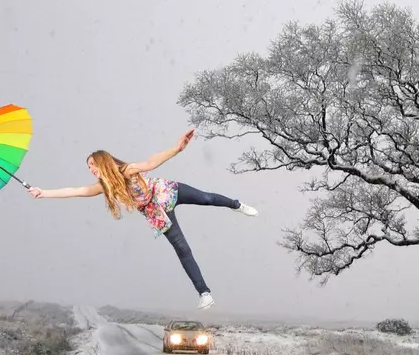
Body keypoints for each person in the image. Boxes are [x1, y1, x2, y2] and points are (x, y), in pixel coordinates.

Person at [27, 127, 258, 310]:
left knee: (206, 198)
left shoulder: (127, 170)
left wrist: (177, 149)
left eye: (92, 165)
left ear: (103, 162)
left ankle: (236, 205)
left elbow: (151, 162)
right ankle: (204, 293)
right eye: (88, 167)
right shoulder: (103, 187)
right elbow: (75, 191)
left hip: (165, 191)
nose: (90, 170)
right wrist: (44, 192)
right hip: (155, 212)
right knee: (183, 250)